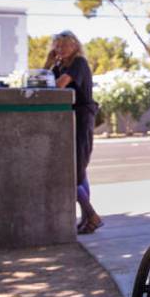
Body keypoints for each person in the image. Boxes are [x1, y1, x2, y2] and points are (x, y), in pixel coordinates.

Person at [46, 31, 102, 234]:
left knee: (73, 171)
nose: (60, 49)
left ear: (75, 46)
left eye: (64, 45)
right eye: (57, 46)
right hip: (66, 121)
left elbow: (58, 85)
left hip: (81, 119)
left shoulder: (79, 63)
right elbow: (44, 82)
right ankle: (89, 218)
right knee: (78, 170)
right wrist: (48, 62)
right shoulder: (58, 67)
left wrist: (51, 75)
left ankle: (92, 215)